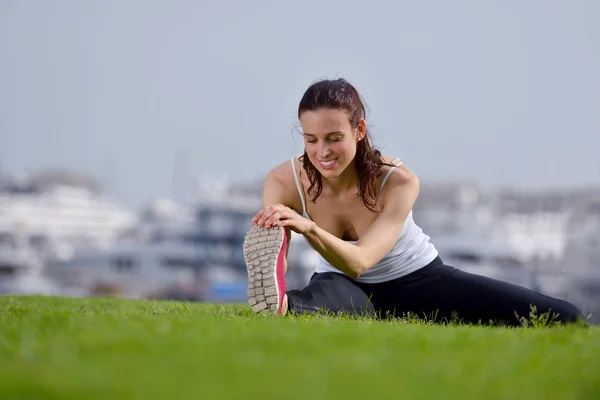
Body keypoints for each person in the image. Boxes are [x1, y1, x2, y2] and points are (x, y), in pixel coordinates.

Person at [242, 78, 584, 326]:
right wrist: (276, 263)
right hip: (343, 285)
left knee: (565, 318)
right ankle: (286, 306)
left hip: (418, 280)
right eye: (311, 140)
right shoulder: (283, 181)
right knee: (304, 304)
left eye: (334, 138)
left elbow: (360, 261)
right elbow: (278, 258)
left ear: (359, 130)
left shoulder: (399, 181)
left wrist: (308, 227)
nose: (322, 152)